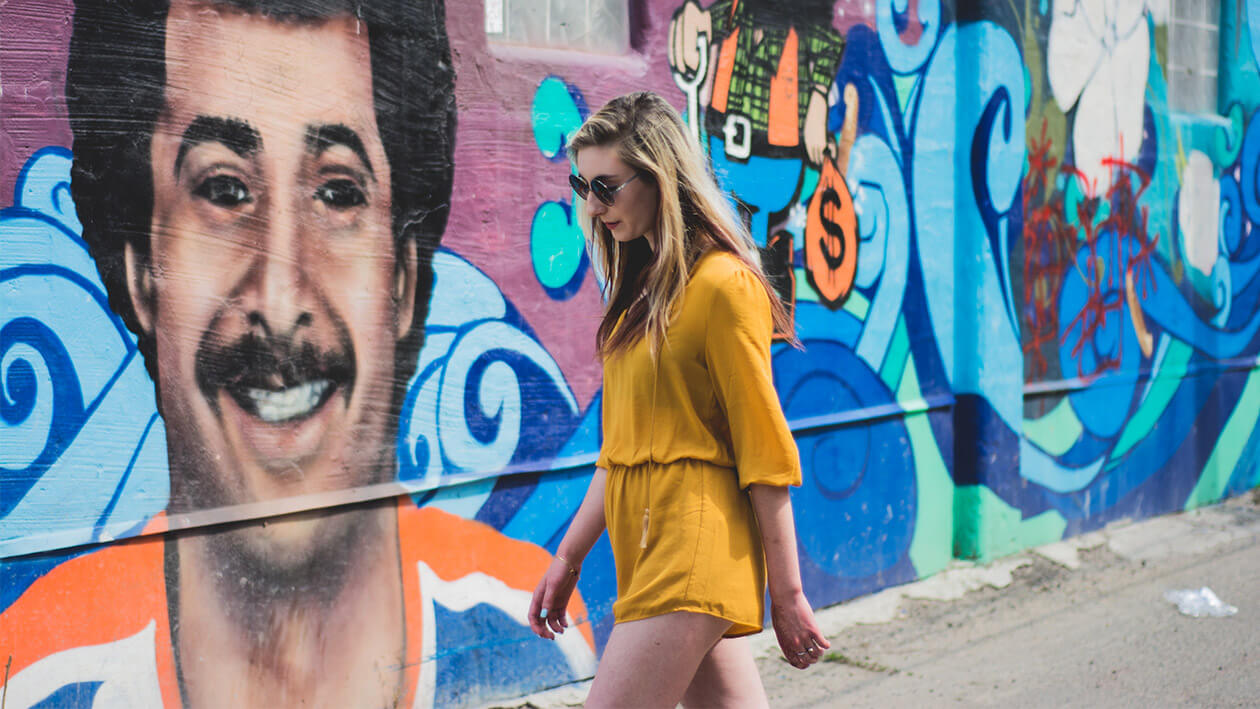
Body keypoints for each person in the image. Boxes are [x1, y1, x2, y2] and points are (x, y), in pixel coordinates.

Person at [0, 1, 594, 706]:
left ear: (403, 279)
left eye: (338, 193)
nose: (280, 299)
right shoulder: (39, 674)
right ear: (140, 269)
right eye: (223, 190)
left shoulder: (532, 622)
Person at [529, 91, 829, 707]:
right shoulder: (637, 298)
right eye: (582, 186)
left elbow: (764, 449)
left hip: (692, 548)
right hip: (646, 545)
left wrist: (788, 592)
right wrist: (568, 556)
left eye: (607, 186)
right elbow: (621, 455)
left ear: (661, 176)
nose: (592, 205)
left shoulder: (723, 286)